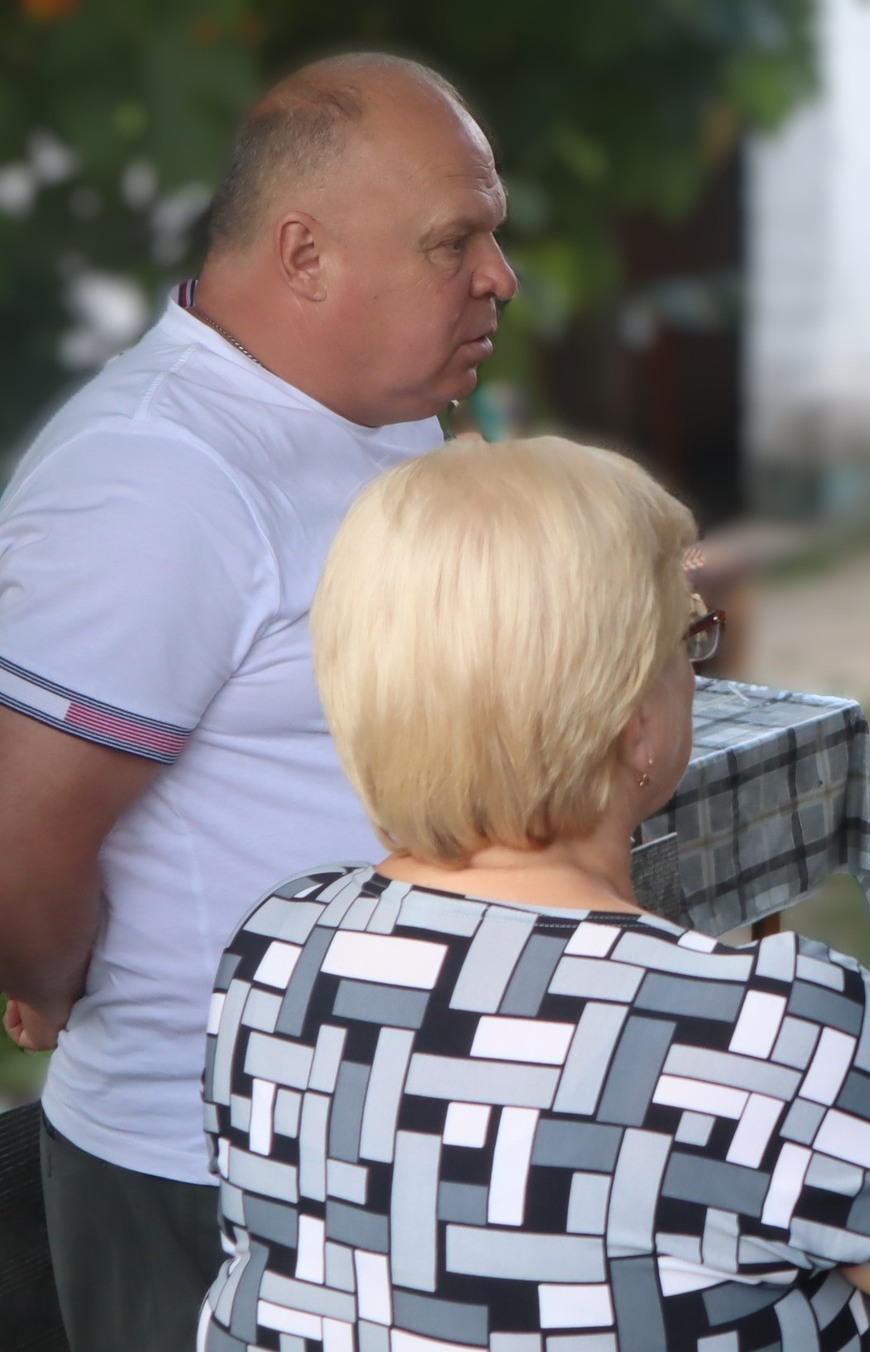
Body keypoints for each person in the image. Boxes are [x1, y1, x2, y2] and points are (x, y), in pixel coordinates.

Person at [199, 435, 870, 1351]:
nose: (694, 675)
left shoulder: (273, 954)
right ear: (633, 726)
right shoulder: (781, 1036)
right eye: (685, 643)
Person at [0, 53, 515, 1351]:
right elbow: (16, 847)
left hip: (403, 1134)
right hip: (213, 1168)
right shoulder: (155, 475)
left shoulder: (379, 411)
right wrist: (57, 979)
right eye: (454, 243)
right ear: (304, 256)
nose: (498, 277)